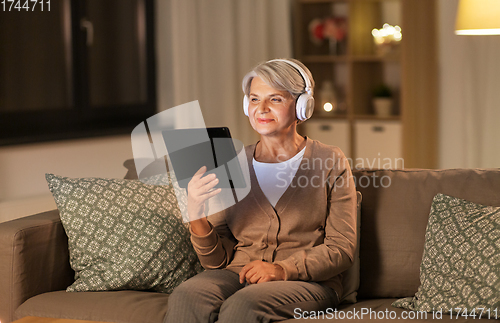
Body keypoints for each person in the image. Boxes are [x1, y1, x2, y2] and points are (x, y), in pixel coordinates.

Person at [164, 58, 357, 323]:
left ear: (302, 106)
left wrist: (281, 269)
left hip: (309, 283)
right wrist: (196, 213)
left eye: (275, 99)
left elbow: (342, 249)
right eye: (254, 99)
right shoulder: (232, 164)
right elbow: (216, 262)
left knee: (244, 304)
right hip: (237, 273)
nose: (262, 109)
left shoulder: (330, 161)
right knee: (186, 294)